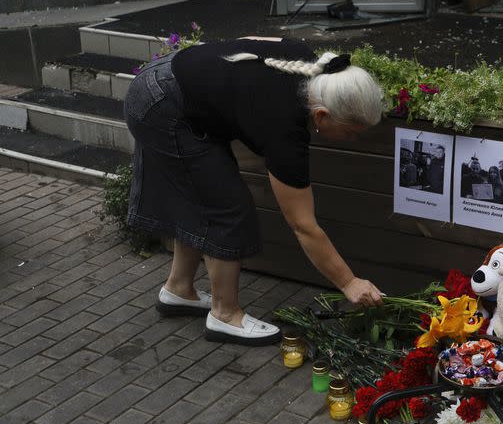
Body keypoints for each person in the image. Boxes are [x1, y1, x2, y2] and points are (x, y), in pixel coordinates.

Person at [124, 37, 385, 346]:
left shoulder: (309, 66)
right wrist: (349, 282)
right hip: (161, 104)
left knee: (203, 195)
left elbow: (257, 42)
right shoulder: (285, 129)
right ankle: (225, 315)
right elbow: (303, 225)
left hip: (169, 82)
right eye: (350, 133)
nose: (351, 140)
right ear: (322, 116)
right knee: (228, 209)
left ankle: (179, 289)